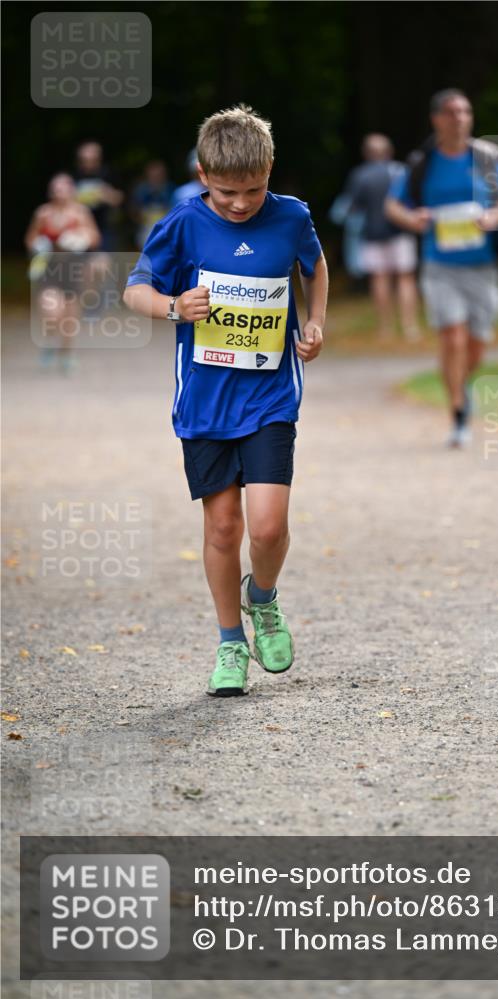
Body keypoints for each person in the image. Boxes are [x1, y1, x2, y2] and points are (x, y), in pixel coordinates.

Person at [123, 105, 327, 697]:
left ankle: (261, 598)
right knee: (222, 527)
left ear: (271, 170)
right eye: (227, 191)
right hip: (206, 402)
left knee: (267, 528)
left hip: (269, 395)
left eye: (254, 189)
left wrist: (314, 322)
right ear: (202, 173)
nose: (241, 203)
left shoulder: (291, 217)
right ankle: (230, 642)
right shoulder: (183, 223)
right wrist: (172, 307)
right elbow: (135, 289)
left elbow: (315, 268)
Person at [385, 89, 498, 447]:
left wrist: (495, 215)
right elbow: (393, 206)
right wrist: (414, 219)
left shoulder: (486, 157)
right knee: (453, 337)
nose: (459, 117)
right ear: (437, 119)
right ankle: (459, 413)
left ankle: (460, 381)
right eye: (451, 112)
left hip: (483, 266)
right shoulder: (422, 162)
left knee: (476, 344)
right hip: (439, 265)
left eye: (465, 111)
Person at [342, 134, 421, 342]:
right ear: (389, 151)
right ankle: (409, 326)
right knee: (405, 278)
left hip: (372, 235)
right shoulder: (401, 171)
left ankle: (385, 329)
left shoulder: (360, 175)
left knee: (380, 278)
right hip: (401, 232)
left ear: (366, 153)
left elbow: (353, 206)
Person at [25, 173, 101, 372]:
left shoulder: (80, 212)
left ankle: (67, 353)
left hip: (73, 270)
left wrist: (79, 239)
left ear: (71, 191)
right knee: (52, 312)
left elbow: (94, 238)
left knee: (69, 317)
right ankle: (50, 341)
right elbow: (30, 238)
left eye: (64, 188)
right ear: (51, 191)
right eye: (56, 189)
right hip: (50, 269)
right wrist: (39, 244)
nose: (60, 193)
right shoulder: (43, 213)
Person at [73, 141, 124, 251]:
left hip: (105, 226)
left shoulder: (108, 173)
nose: (88, 164)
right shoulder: (74, 174)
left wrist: (106, 195)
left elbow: (120, 198)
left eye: (92, 160)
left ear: (99, 158)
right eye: (84, 160)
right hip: (79, 227)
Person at [130, 159, 176, 248]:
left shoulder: (171, 189)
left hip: (168, 230)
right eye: (153, 175)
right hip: (146, 230)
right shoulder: (141, 190)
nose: (156, 177)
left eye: (159, 174)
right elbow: (133, 210)